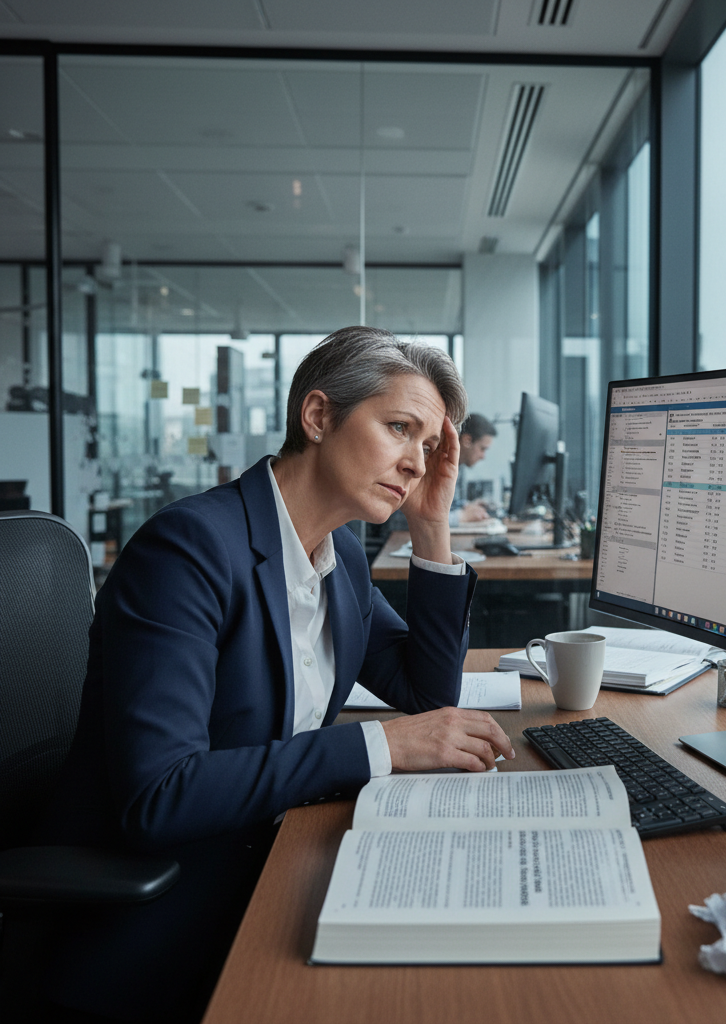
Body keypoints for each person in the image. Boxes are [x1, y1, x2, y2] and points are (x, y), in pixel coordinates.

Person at [37, 327, 514, 1023]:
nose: (416, 462)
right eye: (400, 429)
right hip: (164, 909)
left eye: (429, 446)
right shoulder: (190, 550)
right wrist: (383, 746)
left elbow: (426, 695)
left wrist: (432, 527)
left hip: (274, 860)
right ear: (317, 417)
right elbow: (161, 796)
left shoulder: (339, 559)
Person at [450, 412, 497, 524]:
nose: (483, 456)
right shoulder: (437, 465)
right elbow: (417, 517)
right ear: (467, 441)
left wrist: (466, 506)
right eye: (482, 449)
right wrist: (462, 516)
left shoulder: (459, 466)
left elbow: (449, 504)